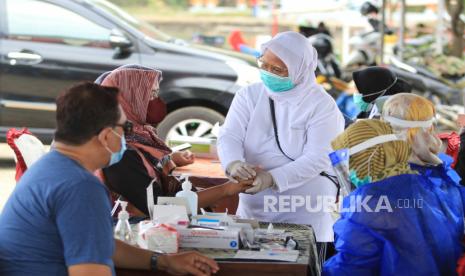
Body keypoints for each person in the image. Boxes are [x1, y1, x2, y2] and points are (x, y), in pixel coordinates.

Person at [0, 82, 219, 276]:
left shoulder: (52, 168)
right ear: (106, 136)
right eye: (125, 128)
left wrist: (162, 261)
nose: (126, 137)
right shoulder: (80, 186)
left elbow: (99, 245)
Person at [217, 31, 345, 246]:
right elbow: (229, 135)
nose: (268, 73)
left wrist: (272, 178)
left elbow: (319, 157)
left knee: (300, 260)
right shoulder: (249, 95)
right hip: (254, 201)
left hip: (303, 206)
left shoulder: (322, 105)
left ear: (298, 71)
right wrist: (234, 163)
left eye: (277, 69)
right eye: (264, 65)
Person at [98, 66, 252, 216]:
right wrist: (225, 190)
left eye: (157, 93)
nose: (157, 101)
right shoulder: (120, 152)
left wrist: (172, 160)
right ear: (128, 99)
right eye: (151, 95)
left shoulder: (144, 136)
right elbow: (159, 208)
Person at [323, 119, 465, 275]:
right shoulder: (440, 186)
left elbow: (348, 267)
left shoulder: (373, 201)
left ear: (374, 156)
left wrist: (347, 224)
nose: (352, 171)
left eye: (355, 161)